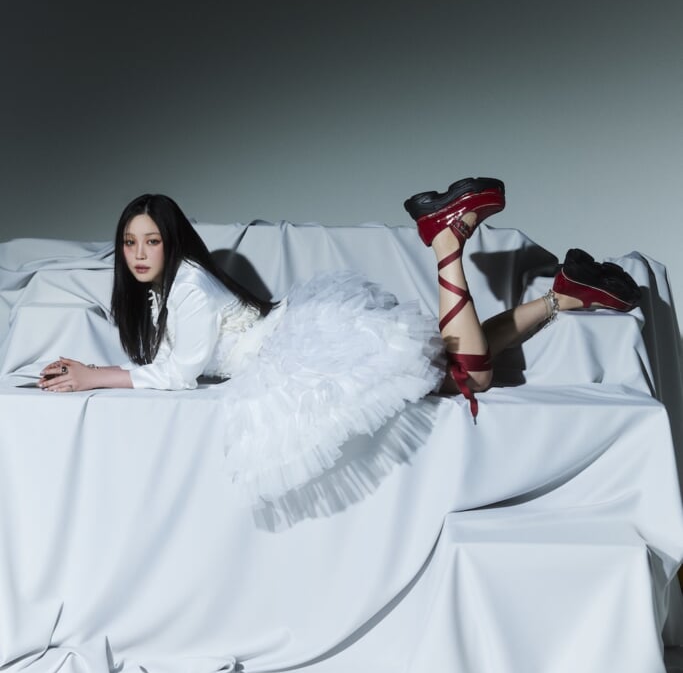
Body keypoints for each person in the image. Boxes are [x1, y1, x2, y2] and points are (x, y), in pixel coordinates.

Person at [37, 181, 640, 500]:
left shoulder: (188, 285)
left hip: (300, 352)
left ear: (172, 243)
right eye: (130, 242)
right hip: (304, 337)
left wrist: (95, 375)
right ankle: (565, 293)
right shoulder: (169, 288)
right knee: (456, 354)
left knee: (472, 376)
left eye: (152, 241)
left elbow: (178, 374)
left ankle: (446, 243)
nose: (139, 254)